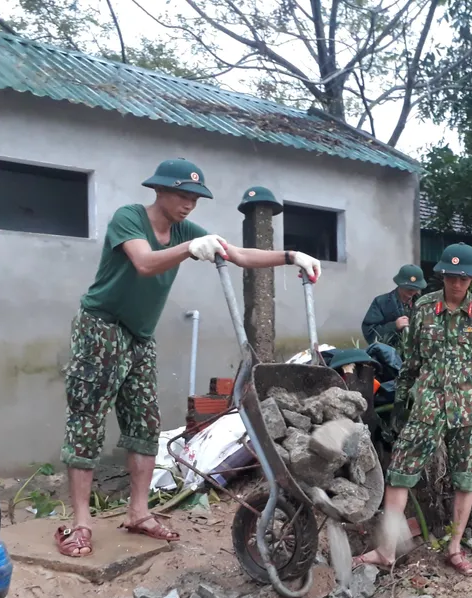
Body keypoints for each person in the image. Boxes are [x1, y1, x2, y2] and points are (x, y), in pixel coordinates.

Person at [57, 159, 322, 558]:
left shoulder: (183, 229)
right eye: (183, 195)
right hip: (102, 327)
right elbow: (144, 262)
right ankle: (80, 522)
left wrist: (291, 255)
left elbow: (238, 254)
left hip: (139, 337)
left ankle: (139, 512)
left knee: (144, 423)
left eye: (195, 197)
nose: (189, 205)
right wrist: (187, 249)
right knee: (88, 421)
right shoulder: (129, 218)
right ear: (159, 190)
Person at [354, 243, 472, 576]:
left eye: (464, 278)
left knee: (466, 478)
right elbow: (411, 360)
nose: (457, 284)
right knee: (400, 472)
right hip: (426, 404)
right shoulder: (423, 308)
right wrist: (400, 399)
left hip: (467, 409)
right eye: (452, 277)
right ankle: (385, 550)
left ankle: (454, 548)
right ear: (442, 276)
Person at [361, 264, 427, 347]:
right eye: (408, 287)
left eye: (415, 288)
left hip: (415, 355)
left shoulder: (423, 304)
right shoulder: (381, 302)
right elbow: (370, 333)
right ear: (399, 284)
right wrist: (394, 326)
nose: (412, 291)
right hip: (389, 355)